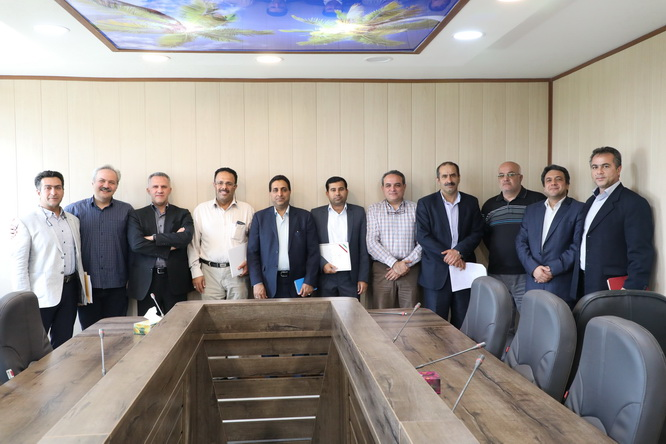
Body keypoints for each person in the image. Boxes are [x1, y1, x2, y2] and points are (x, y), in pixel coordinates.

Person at [11, 171, 86, 348]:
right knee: (35, 346)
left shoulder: (73, 220)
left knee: (63, 343)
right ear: (39, 192)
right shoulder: (25, 222)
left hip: (70, 290)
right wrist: (24, 301)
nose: (54, 192)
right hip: (40, 295)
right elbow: (19, 265)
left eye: (58, 187)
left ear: (63, 190)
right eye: (48, 188)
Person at [577, 146, 654, 296]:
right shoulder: (590, 202)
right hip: (584, 281)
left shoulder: (634, 203)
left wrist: (631, 288)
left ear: (619, 169)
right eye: (595, 167)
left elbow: (640, 251)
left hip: (611, 286)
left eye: (606, 166)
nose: (599, 172)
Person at [65, 165, 133, 330]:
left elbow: (134, 245)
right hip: (86, 286)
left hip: (118, 284)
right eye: (102, 180)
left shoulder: (127, 210)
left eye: (111, 182)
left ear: (116, 186)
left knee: (117, 333)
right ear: (93, 182)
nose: (106, 185)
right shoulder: (73, 210)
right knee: (90, 334)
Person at [416, 162, 483, 328]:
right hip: (436, 273)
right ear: (438, 180)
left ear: (459, 178)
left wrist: (458, 252)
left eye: (453, 175)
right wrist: (450, 256)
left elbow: (477, 232)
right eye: (444, 176)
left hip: (463, 269)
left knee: (463, 323)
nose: (449, 180)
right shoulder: (426, 203)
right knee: (435, 326)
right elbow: (423, 236)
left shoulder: (471, 202)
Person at [516, 165, 584, 308]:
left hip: (561, 283)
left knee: (560, 321)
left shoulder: (579, 209)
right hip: (534, 281)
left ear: (567, 184)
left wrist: (551, 269)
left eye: (558, 179)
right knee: (534, 320)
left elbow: (578, 245)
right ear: (544, 186)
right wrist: (534, 269)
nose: (553, 183)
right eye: (549, 180)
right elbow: (521, 242)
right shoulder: (531, 210)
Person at [481, 161, 545, 313]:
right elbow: (485, 237)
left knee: (530, 318)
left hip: (528, 273)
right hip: (497, 273)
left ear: (520, 177)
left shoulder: (538, 200)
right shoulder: (489, 205)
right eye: (501, 175)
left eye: (511, 174)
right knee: (501, 320)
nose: (506, 178)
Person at [127, 173, 194, 315]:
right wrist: (170, 245)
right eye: (155, 186)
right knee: (148, 325)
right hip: (147, 281)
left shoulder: (183, 214)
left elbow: (185, 238)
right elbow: (137, 244)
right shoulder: (136, 215)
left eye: (163, 187)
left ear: (170, 190)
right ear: (148, 190)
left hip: (175, 279)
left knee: (177, 324)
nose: (159, 190)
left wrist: (153, 238)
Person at [188, 167, 254, 300]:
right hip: (208, 273)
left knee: (239, 311)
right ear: (214, 185)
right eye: (220, 183)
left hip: (238, 272)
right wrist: (196, 272)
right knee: (211, 312)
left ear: (235, 186)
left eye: (229, 183)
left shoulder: (247, 210)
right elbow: (193, 245)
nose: (224, 187)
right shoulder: (201, 210)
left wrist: (250, 263)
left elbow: (254, 243)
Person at [247, 175, 319, 298]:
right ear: (270, 193)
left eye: (284, 189)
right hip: (268, 284)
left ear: (289, 192)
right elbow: (252, 253)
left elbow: (313, 252)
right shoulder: (260, 218)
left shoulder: (305, 217)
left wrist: (309, 280)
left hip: (299, 284)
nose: (280, 194)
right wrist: (257, 282)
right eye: (275, 190)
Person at [366, 170, 422, 309]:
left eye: (397, 185)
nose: (393, 189)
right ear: (382, 188)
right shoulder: (374, 209)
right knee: (382, 313)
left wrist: (405, 265)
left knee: (411, 313)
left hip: (411, 267)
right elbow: (371, 243)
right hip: (382, 268)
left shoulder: (416, 208)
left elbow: (423, 242)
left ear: (404, 187)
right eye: (388, 185)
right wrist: (394, 264)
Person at [311, 176, 369, 297]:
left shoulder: (358, 212)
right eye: (333, 190)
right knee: (325, 309)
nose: (337, 193)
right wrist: (322, 264)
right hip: (325, 275)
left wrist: (363, 278)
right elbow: (312, 246)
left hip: (350, 277)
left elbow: (363, 248)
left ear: (346, 191)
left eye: (341, 189)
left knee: (351, 309)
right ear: (327, 193)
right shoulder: (316, 214)